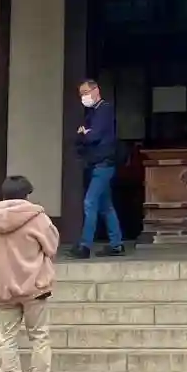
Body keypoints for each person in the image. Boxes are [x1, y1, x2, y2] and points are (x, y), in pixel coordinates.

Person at [0, 174, 61, 372]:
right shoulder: (37, 218)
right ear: (26, 194)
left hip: (2, 288)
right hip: (35, 286)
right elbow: (52, 246)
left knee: (7, 338)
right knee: (39, 336)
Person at [70, 78, 125, 258]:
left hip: (104, 163)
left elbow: (93, 137)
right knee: (105, 206)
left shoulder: (104, 110)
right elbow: (81, 137)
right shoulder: (92, 113)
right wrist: (84, 135)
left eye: (86, 93)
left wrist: (84, 135)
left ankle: (85, 245)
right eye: (81, 94)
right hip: (96, 163)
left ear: (96, 91)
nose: (83, 97)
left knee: (90, 202)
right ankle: (116, 244)